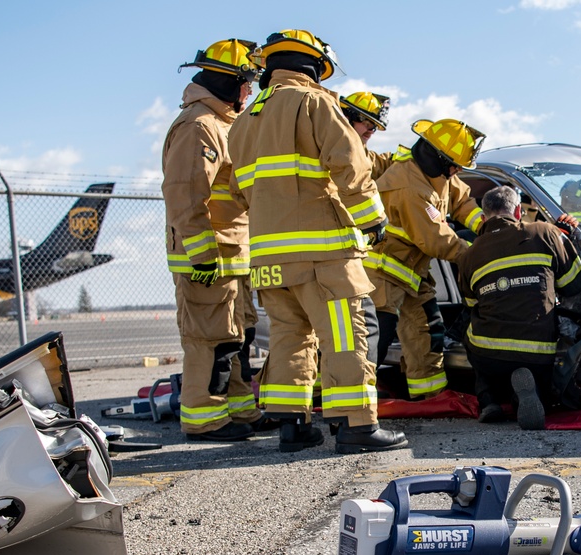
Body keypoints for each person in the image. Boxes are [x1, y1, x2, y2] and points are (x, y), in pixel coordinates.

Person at [228, 29, 406, 455]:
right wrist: (372, 219)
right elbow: (349, 165)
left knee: (291, 338)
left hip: (269, 259)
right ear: (313, 66)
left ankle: (293, 428)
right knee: (345, 335)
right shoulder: (316, 102)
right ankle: (357, 427)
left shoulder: (243, 122)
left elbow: (239, 193)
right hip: (323, 254)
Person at [163, 38, 278, 442]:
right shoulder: (199, 126)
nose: (250, 92)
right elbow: (185, 195)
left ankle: (240, 412)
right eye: (246, 83)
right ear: (227, 81)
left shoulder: (225, 125)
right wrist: (203, 256)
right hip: (209, 259)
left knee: (236, 338)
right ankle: (204, 419)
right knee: (209, 342)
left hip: (232, 256)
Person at [365, 118, 487, 399]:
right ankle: (358, 403)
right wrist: (477, 254)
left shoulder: (438, 172)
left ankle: (429, 397)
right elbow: (436, 239)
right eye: (454, 165)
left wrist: (487, 227)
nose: (456, 172)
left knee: (426, 329)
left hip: (411, 272)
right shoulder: (409, 187)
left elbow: (461, 200)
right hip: (382, 271)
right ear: (438, 157)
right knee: (375, 338)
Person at [457, 185, 581, 430]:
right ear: (518, 211)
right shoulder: (544, 232)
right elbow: (575, 284)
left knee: (471, 326)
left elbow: (471, 303)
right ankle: (524, 395)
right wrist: (566, 239)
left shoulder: (468, 255)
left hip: (489, 355)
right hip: (537, 351)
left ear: (483, 218)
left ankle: (489, 401)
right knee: (536, 380)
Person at [340, 91, 397, 179]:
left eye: (374, 128)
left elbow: (378, 164)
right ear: (347, 118)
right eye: (367, 124)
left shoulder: (360, 152)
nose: (371, 131)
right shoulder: (330, 144)